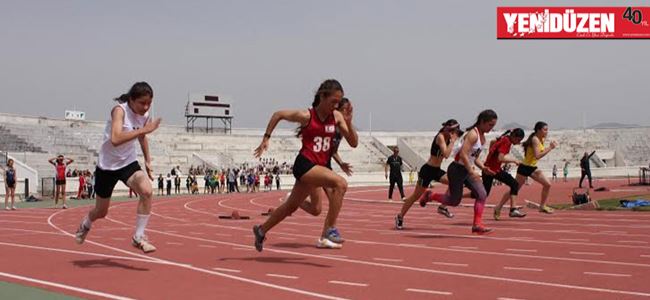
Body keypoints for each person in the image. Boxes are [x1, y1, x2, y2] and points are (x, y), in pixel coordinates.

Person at [252, 79, 358, 251]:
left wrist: (349, 121)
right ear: (322, 97)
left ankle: (261, 230)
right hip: (305, 165)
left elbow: (353, 143)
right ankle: (329, 231)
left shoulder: (337, 117)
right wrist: (266, 138)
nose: (336, 105)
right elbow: (278, 114)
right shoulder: (307, 116)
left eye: (339, 102)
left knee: (296, 207)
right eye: (333, 101)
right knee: (341, 184)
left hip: (320, 167)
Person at [74, 81, 161, 253]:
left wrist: (148, 160)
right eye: (142, 103)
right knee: (101, 211)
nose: (145, 107)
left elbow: (142, 137)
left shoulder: (145, 116)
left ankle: (138, 236)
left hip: (128, 163)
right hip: (107, 167)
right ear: (131, 100)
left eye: (149, 103)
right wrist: (144, 130)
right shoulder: (119, 111)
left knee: (147, 191)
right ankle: (86, 223)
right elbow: (115, 139)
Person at [418, 110, 498, 235]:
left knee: (482, 194)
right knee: (454, 201)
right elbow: (463, 154)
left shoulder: (482, 138)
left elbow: (473, 157)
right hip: (457, 170)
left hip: (466, 170)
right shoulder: (473, 134)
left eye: (493, 125)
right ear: (482, 122)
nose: (491, 128)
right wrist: (471, 172)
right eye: (490, 125)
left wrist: (483, 168)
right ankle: (430, 195)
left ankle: (477, 224)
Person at [395, 119, 462, 230]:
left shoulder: (449, 138)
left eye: (455, 132)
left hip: (437, 170)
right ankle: (400, 216)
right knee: (415, 196)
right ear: (447, 129)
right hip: (427, 170)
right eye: (452, 131)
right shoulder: (440, 137)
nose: (453, 134)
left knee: (455, 182)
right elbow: (446, 154)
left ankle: (442, 207)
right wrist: (453, 141)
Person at [516, 121, 558, 214]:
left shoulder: (541, 138)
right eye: (545, 130)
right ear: (538, 130)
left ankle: (542, 206)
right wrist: (550, 148)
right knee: (515, 189)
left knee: (547, 184)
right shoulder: (535, 139)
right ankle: (499, 207)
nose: (547, 132)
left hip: (532, 167)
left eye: (547, 130)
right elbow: (537, 156)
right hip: (525, 167)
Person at [486, 129, 526, 220]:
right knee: (514, 184)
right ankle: (513, 210)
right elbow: (500, 158)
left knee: (483, 193)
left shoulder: (504, 138)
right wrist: (514, 160)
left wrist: (491, 154)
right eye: (518, 140)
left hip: (490, 169)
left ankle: (459, 196)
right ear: (514, 136)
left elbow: (493, 141)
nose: (519, 143)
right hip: (492, 170)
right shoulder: (506, 142)